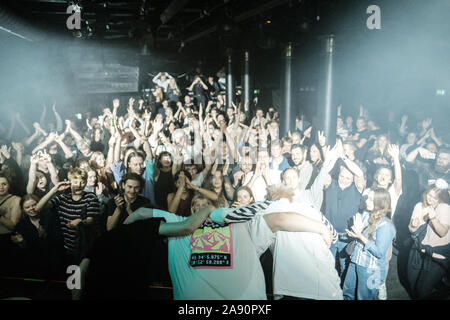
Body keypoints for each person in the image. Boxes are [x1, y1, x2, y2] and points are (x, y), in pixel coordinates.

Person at [124, 194, 333, 300]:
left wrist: (118, 235)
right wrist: (321, 228)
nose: (200, 208)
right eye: (196, 205)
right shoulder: (177, 223)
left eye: (204, 204)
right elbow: (281, 218)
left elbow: (141, 213)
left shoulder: (244, 223)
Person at [35, 168, 101, 266]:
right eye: (75, 182)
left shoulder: (91, 197)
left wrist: (80, 222)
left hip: (87, 247)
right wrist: (54, 189)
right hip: (68, 248)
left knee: (83, 278)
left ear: (86, 182)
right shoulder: (63, 198)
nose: (78, 185)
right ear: (69, 183)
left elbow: (90, 221)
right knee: (71, 277)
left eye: (82, 182)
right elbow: (38, 208)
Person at [343, 188, 396, 300]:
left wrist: (360, 236)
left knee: (364, 297)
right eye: (368, 198)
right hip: (355, 261)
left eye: (371, 199)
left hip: (371, 270)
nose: (367, 201)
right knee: (348, 294)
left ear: (381, 202)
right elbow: (359, 235)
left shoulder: (386, 225)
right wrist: (354, 233)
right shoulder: (366, 214)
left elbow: (379, 252)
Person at [407, 180, 450, 299]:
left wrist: (433, 218)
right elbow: (411, 230)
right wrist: (413, 225)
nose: (431, 199)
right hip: (419, 251)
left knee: (422, 290)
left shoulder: (444, 208)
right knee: (412, 283)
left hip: (438, 256)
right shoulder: (419, 206)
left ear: (441, 199)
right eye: (429, 195)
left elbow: (442, 232)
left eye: (435, 198)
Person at [0, 173, 22, 277]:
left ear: (9, 185)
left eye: (4, 184)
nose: (1, 187)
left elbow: (13, 225)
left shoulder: (15, 200)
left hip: (7, 241)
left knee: (8, 273)